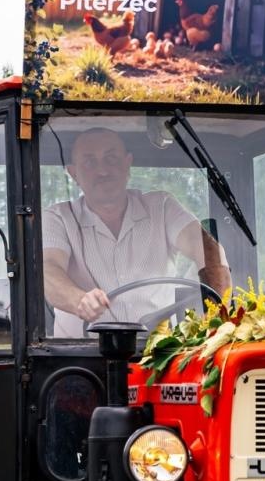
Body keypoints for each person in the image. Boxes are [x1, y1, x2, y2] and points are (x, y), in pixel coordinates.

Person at [42, 127, 231, 338]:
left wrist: (219, 317)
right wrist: (79, 300)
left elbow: (205, 248)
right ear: (73, 173)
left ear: (127, 163)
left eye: (111, 158)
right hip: (77, 361)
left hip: (158, 356)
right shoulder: (58, 217)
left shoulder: (162, 207)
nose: (103, 171)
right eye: (89, 162)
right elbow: (48, 269)